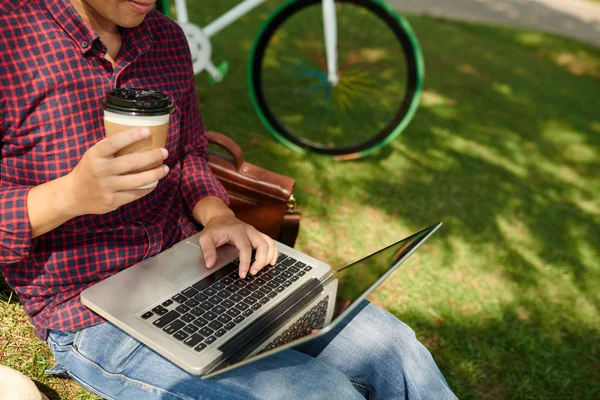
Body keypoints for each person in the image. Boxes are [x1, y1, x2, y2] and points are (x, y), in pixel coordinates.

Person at [0, 0, 457, 398]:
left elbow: (188, 154)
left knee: (394, 347)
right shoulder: (10, 38)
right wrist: (71, 196)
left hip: (191, 265)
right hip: (88, 310)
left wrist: (219, 216)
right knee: (320, 394)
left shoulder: (167, 39)